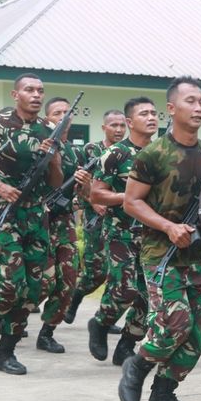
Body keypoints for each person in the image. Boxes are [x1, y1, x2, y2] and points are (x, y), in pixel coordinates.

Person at [117, 77, 201, 401]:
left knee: (199, 331)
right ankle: (139, 363)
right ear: (172, 108)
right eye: (191, 101)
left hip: (197, 255)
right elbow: (132, 203)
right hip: (160, 255)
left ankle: (163, 395)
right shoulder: (153, 154)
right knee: (174, 323)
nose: (199, 108)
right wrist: (168, 226)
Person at [0, 74, 64, 375]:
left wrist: (54, 157)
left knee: (33, 288)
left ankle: (5, 352)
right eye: (29, 90)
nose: (36, 95)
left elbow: (56, 182)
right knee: (12, 282)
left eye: (40, 91)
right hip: (4, 212)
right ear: (15, 94)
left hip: (36, 214)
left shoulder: (49, 130)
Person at [87, 96, 158, 364]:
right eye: (144, 114)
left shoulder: (161, 152)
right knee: (124, 290)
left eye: (154, 113)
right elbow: (96, 195)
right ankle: (101, 323)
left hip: (152, 235)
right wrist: (130, 197)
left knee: (148, 297)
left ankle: (127, 343)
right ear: (129, 122)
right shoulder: (115, 154)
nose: (151, 118)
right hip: (121, 233)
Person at [63, 109, 127, 324]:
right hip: (96, 219)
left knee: (118, 274)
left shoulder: (127, 152)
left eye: (121, 125)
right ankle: (76, 297)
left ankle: (105, 318)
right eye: (113, 125)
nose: (118, 130)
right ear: (104, 128)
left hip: (121, 221)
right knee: (96, 271)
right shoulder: (91, 150)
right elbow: (79, 182)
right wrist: (94, 201)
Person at [35, 96, 87, 353]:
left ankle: (47, 332)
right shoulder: (40, 145)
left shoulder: (73, 151)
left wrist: (81, 182)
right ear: (48, 119)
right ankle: (7, 318)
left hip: (63, 221)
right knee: (42, 281)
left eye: (68, 112)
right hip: (38, 221)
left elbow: (79, 192)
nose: (64, 116)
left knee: (68, 280)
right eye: (58, 112)